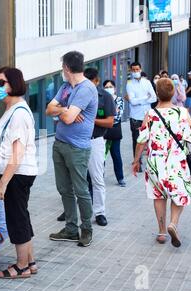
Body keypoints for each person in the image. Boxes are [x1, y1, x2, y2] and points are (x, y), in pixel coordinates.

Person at [132, 78, 191, 248]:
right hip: (176, 161)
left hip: (155, 161)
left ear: (157, 94)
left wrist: (135, 160)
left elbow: (141, 140)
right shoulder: (182, 113)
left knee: (159, 195)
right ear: (174, 93)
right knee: (179, 193)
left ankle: (162, 232)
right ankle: (173, 224)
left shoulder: (150, 114)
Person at [0, 67, 38, 280]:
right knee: (22, 215)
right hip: (18, 173)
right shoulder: (15, 109)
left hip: (16, 174)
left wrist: (3, 183)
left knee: (16, 219)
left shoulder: (18, 113)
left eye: (2, 83)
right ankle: (30, 262)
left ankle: (21, 267)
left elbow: (16, 154)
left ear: (14, 84)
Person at [46, 51, 98, 247]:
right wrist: (64, 110)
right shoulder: (66, 87)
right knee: (64, 189)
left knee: (81, 190)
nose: (62, 71)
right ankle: (70, 229)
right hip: (60, 144)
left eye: (62, 67)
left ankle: (86, 229)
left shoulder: (86, 89)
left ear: (67, 68)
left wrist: (62, 112)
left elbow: (66, 118)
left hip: (77, 148)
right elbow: (48, 109)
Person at [83, 68, 116, 227]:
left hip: (96, 140)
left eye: (91, 83)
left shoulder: (106, 97)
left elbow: (110, 122)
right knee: (75, 178)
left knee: (97, 178)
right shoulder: (78, 94)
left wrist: (91, 120)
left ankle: (100, 212)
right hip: (77, 140)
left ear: (97, 81)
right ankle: (74, 211)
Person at [126, 62, 157, 168]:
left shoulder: (147, 82)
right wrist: (145, 98)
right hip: (135, 116)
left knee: (149, 139)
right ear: (131, 71)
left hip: (147, 115)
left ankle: (151, 161)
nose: (135, 72)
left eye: (137, 69)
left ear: (140, 69)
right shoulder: (129, 84)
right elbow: (132, 102)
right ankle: (137, 162)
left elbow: (154, 98)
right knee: (136, 140)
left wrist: (139, 100)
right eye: (133, 70)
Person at [103, 80, 126, 187]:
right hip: (102, 132)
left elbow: (117, 116)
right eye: (106, 87)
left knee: (116, 155)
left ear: (115, 88)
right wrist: (111, 112)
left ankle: (120, 178)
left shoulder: (120, 100)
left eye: (110, 86)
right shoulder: (101, 99)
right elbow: (99, 115)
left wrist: (106, 115)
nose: (109, 89)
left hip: (114, 131)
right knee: (101, 156)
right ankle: (99, 177)